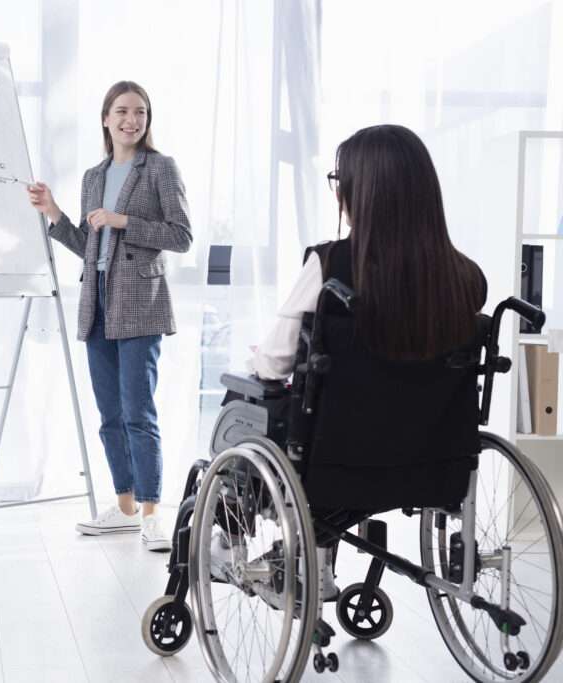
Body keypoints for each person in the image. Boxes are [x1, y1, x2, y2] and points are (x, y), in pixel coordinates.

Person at [227, 123, 487, 598]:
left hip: (339, 458)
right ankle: (318, 556)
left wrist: (261, 362)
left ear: (359, 193)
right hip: (433, 460)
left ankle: (230, 533)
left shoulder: (330, 266)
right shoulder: (465, 276)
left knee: (247, 394)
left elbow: (274, 364)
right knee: (342, 412)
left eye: (339, 182)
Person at [28, 81, 192, 552]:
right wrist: (54, 212)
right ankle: (122, 510)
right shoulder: (93, 177)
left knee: (139, 412)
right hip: (97, 300)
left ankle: (151, 513)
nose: (131, 120)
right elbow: (88, 246)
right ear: (105, 118)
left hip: (141, 301)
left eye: (140, 112)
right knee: (109, 415)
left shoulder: (160, 168)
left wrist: (123, 222)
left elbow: (181, 236)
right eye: (122, 111)